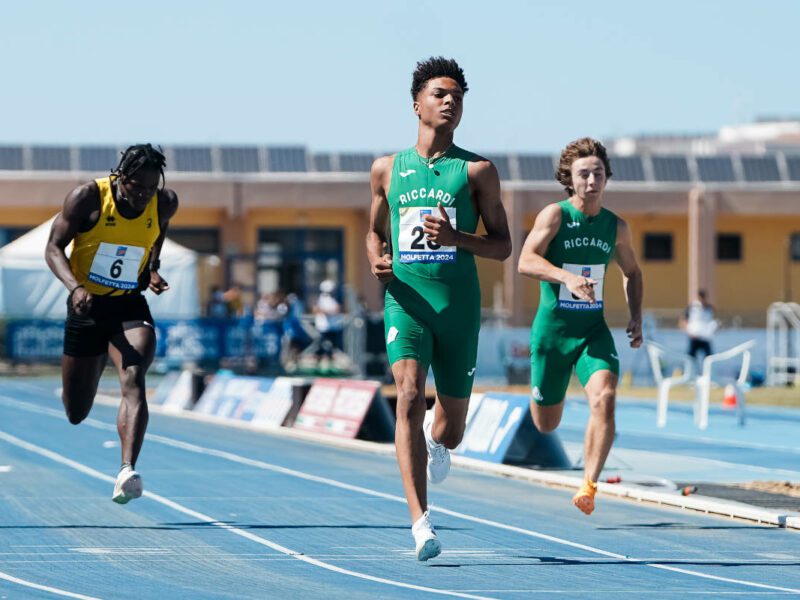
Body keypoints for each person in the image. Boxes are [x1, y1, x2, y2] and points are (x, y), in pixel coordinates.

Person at [366, 57, 511, 560]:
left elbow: (503, 246)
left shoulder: (477, 171)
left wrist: (455, 237)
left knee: (450, 427)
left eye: (458, 96)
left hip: (457, 307)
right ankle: (421, 523)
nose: (451, 101)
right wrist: (377, 259)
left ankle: (437, 438)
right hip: (406, 301)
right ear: (417, 105)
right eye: (440, 94)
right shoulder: (387, 168)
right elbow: (374, 230)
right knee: (406, 393)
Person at [44, 144, 178, 504]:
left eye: (150, 188)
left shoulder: (163, 202)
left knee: (134, 377)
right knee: (76, 411)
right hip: (87, 307)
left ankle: (126, 471)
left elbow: (158, 233)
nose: (143, 195)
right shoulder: (88, 197)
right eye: (136, 187)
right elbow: (54, 247)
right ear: (121, 177)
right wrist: (75, 288)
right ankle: (96, 358)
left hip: (128, 305)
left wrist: (151, 268)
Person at [517, 137, 643, 517]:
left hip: (592, 331)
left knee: (605, 396)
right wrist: (565, 278)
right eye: (584, 174)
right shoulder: (554, 216)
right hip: (552, 335)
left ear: (607, 178)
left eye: (598, 174)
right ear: (569, 180)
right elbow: (525, 260)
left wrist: (636, 314)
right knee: (545, 424)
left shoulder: (616, 227)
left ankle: (588, 485)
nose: (592, 181)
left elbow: (633, 272)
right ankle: (542, 395)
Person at [680, 290, 717, 366]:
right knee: (690, 357)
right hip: (694, 337)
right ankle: (688, 372)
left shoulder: (709, 308)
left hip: (705, 338)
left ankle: (707, 373)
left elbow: (713, 321)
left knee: (708, 357)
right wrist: (689, 331)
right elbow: (683, 320)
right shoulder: (691, 307)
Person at [313, 279, 343, 369]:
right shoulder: (321, 299)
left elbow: (337, 309)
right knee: (320, 347)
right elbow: (316, 309)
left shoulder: (335, 298)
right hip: (323, 327)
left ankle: (330, 366)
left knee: (333, 348)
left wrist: (328, 312)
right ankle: (318, 366)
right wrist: (328, 312)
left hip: (334, 327)